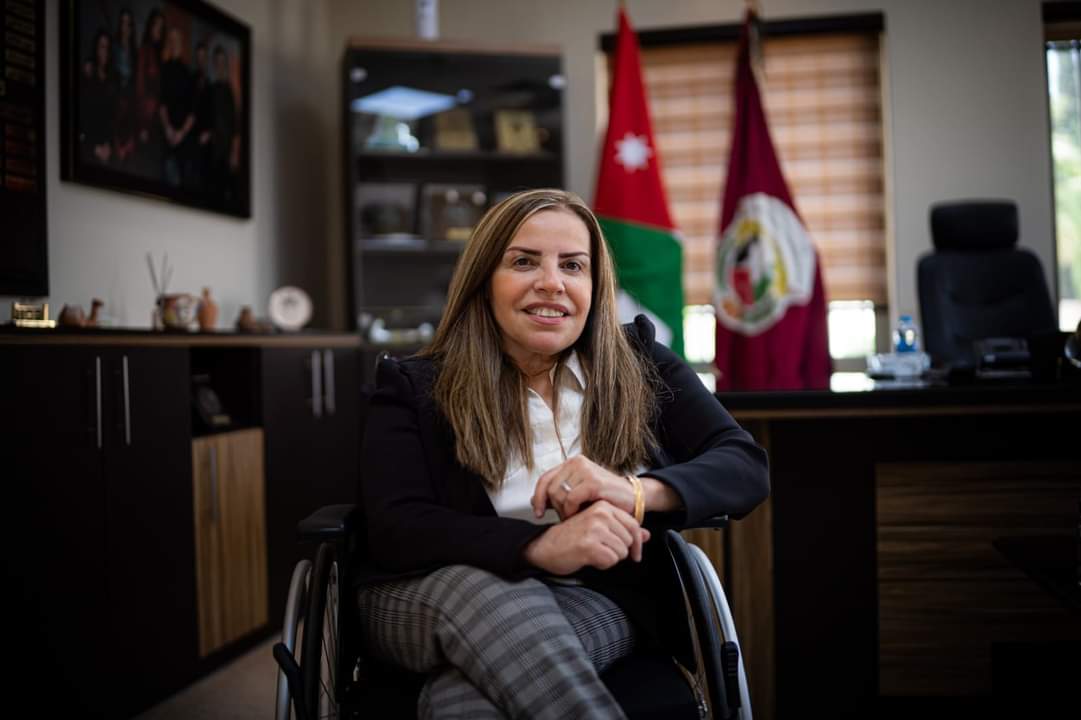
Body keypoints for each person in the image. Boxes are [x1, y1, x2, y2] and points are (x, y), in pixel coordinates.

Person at [358, 188, 769, 719]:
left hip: (595, 598)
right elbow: (396, 525)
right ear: (484, 279)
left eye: (573, 265)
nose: (552, 282)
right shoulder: (414, 386)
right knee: (491, 595)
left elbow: (744, 466)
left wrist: (633, 491)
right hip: (425, 593)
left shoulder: (641, 363)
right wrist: (539, 545)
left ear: (595, 286)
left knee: (464, 701)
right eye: (524, 262)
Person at [134, 7, 164, 177]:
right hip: (146, 118)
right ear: (150, 26)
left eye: (161, 27)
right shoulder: (145, 50)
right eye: (156, 25)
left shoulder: (160, 55)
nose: (158, 30)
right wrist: (143, 125)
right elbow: (140, 88)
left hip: (157, 121)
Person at [81, 29, 116, 166]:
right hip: (90, 145)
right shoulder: (88, 76)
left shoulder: (112, 79)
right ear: (96, 48)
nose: (104, 51)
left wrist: (108, 144)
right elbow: (84, 115)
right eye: (102, 46)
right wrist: (94, 148)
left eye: (107, 47)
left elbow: (112, 116)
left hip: (108, 146)